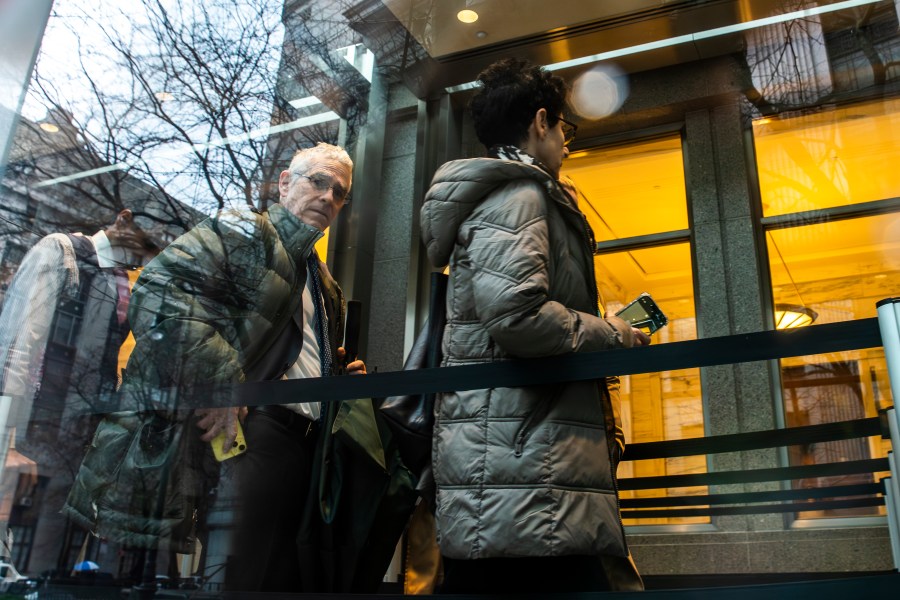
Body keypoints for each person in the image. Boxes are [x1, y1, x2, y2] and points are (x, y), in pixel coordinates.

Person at [62, 143, 366, 592]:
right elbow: (160, 295)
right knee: (241, 576)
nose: (327, 197)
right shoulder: (244, 231)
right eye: (317, 181)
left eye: (339, 192)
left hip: (308, 448)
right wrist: (222, 380)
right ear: (284, 183)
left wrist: (336, 378)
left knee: (283, 577)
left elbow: (288, 354)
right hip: (254, 436)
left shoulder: (324, 283)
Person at [419, 57, 650, 594]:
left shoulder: (515, 196)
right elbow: (517, 316)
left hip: (520, 467)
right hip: (523, 473)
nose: (567, 141)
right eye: (564, 127)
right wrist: (612, 332)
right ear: (541, 122)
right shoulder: (519, 196)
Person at [0, 209, 158, 454]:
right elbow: (20, 342)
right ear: (124, 219)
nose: (142, 258)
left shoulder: (122, 283)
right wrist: (6, 435)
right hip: (32, 421)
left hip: (75, 428)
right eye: (143, 245)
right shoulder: (62, 251)